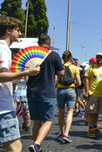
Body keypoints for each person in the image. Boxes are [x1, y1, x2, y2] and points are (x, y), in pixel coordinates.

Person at [0, 16, 40, 152]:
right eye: (18, 30)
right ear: (8, 31)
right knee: (15, 147)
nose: (20, 34)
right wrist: (26, 72)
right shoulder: (3, 49)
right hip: (3, 108)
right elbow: (1, 76)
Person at [26, 34, 64, 152]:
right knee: (47, 121)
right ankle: (36, 144)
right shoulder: (54, 55)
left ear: (38, 42)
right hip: (47, 92)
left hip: (32, 92)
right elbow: (61, 73)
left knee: (36, 122)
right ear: (49, 42)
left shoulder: (31, 54)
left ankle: (39, 148)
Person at [56, 51, 81, 143]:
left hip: (60, 90)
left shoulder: (59, 67)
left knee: (61, 112)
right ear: (70, 58)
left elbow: (55, 82)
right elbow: (79, 82)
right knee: (70, 112)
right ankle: (66, 134)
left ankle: (61, 132)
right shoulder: (75, 68)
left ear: (62, 58)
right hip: (71, 90)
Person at [84, 52, 102, 138]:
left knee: (97, 112)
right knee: (92, 112)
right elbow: (86, 79)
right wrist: (87, 91)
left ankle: (95, 128)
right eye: (97, 57)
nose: (98, 59)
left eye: (100, 57)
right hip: (93, 94)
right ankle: (91, 129)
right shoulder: (91, 68)